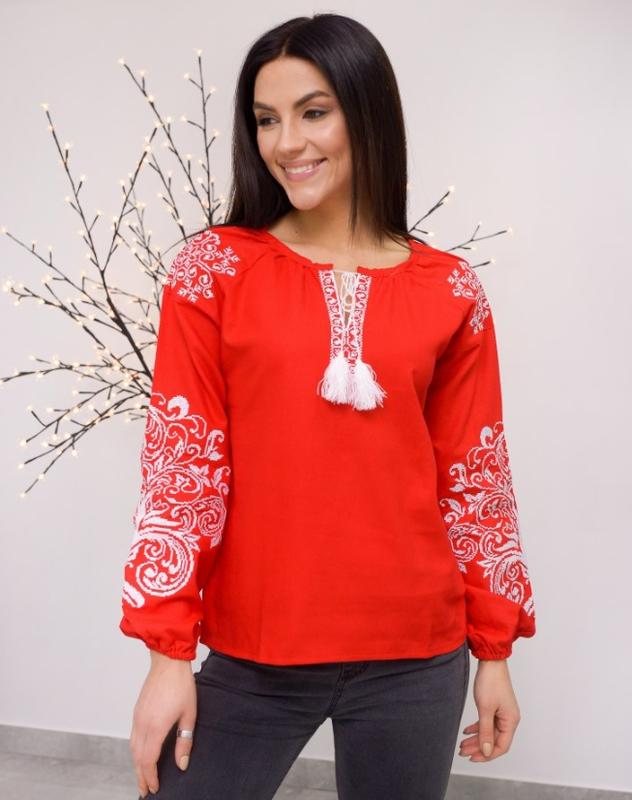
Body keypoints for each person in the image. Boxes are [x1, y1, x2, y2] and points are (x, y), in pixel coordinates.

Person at [119, 13, 536, 800]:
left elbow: (476, 481)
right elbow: (183, 467)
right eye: (266, 120)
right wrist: (167, 657)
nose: (287, 143)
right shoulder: (213, 271)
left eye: (313, 112)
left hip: (417, 657)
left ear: (367, 112)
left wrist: (495, 652)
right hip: (256, 650)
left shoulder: (450, 289)